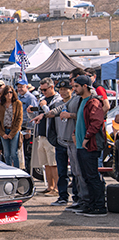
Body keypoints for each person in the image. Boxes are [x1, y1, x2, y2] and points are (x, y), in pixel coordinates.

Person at [32, 79, 79, 207]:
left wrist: (70, 115)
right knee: (62, 171)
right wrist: (42, 115)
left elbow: (80, 115)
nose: (63, 92)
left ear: (72, 89)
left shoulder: (75, 102)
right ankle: (62, 196)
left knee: (75, 172)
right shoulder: (57, 104)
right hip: (60, 141)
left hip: (73, 141)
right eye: (61, 90)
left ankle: (77, 198)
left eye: (65, 89)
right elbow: (51, 113)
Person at [73, 75, 107, 216]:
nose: (74, 89)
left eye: (76, 86)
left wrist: (86, 138)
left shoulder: (93, 102)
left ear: (84, 86)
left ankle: (99, 207)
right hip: (82, 146)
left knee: (92, 177)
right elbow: (81, 120)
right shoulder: (83, 101)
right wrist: (75, 134)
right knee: (87, 177)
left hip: (89, 146)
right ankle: (91, 205)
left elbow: (96, 122)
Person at [27, 78, 62, 196]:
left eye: (45, 89)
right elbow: (37, 113)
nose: (43, 92)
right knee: (46, 163)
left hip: (51, 135)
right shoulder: (43, 99)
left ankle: (57, 188)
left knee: (53, 163)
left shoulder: (57, 100)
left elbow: (53, 114)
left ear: (52, 87)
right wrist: (30, 111)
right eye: (41, 90)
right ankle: (49, 186)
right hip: (41, 134)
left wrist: (45, 106)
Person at [0, 86, 23, 167]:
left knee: (14, 153)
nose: (9, 94)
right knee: (6, 154)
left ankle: (17, 171)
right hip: (4, 130)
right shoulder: (1, 105)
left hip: (14, 130)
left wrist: (12, 133)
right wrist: (2, 133)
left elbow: (19, 119)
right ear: (3, 94)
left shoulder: (17, 103)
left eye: (10, 92)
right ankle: (9, 170)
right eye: (7, 92)